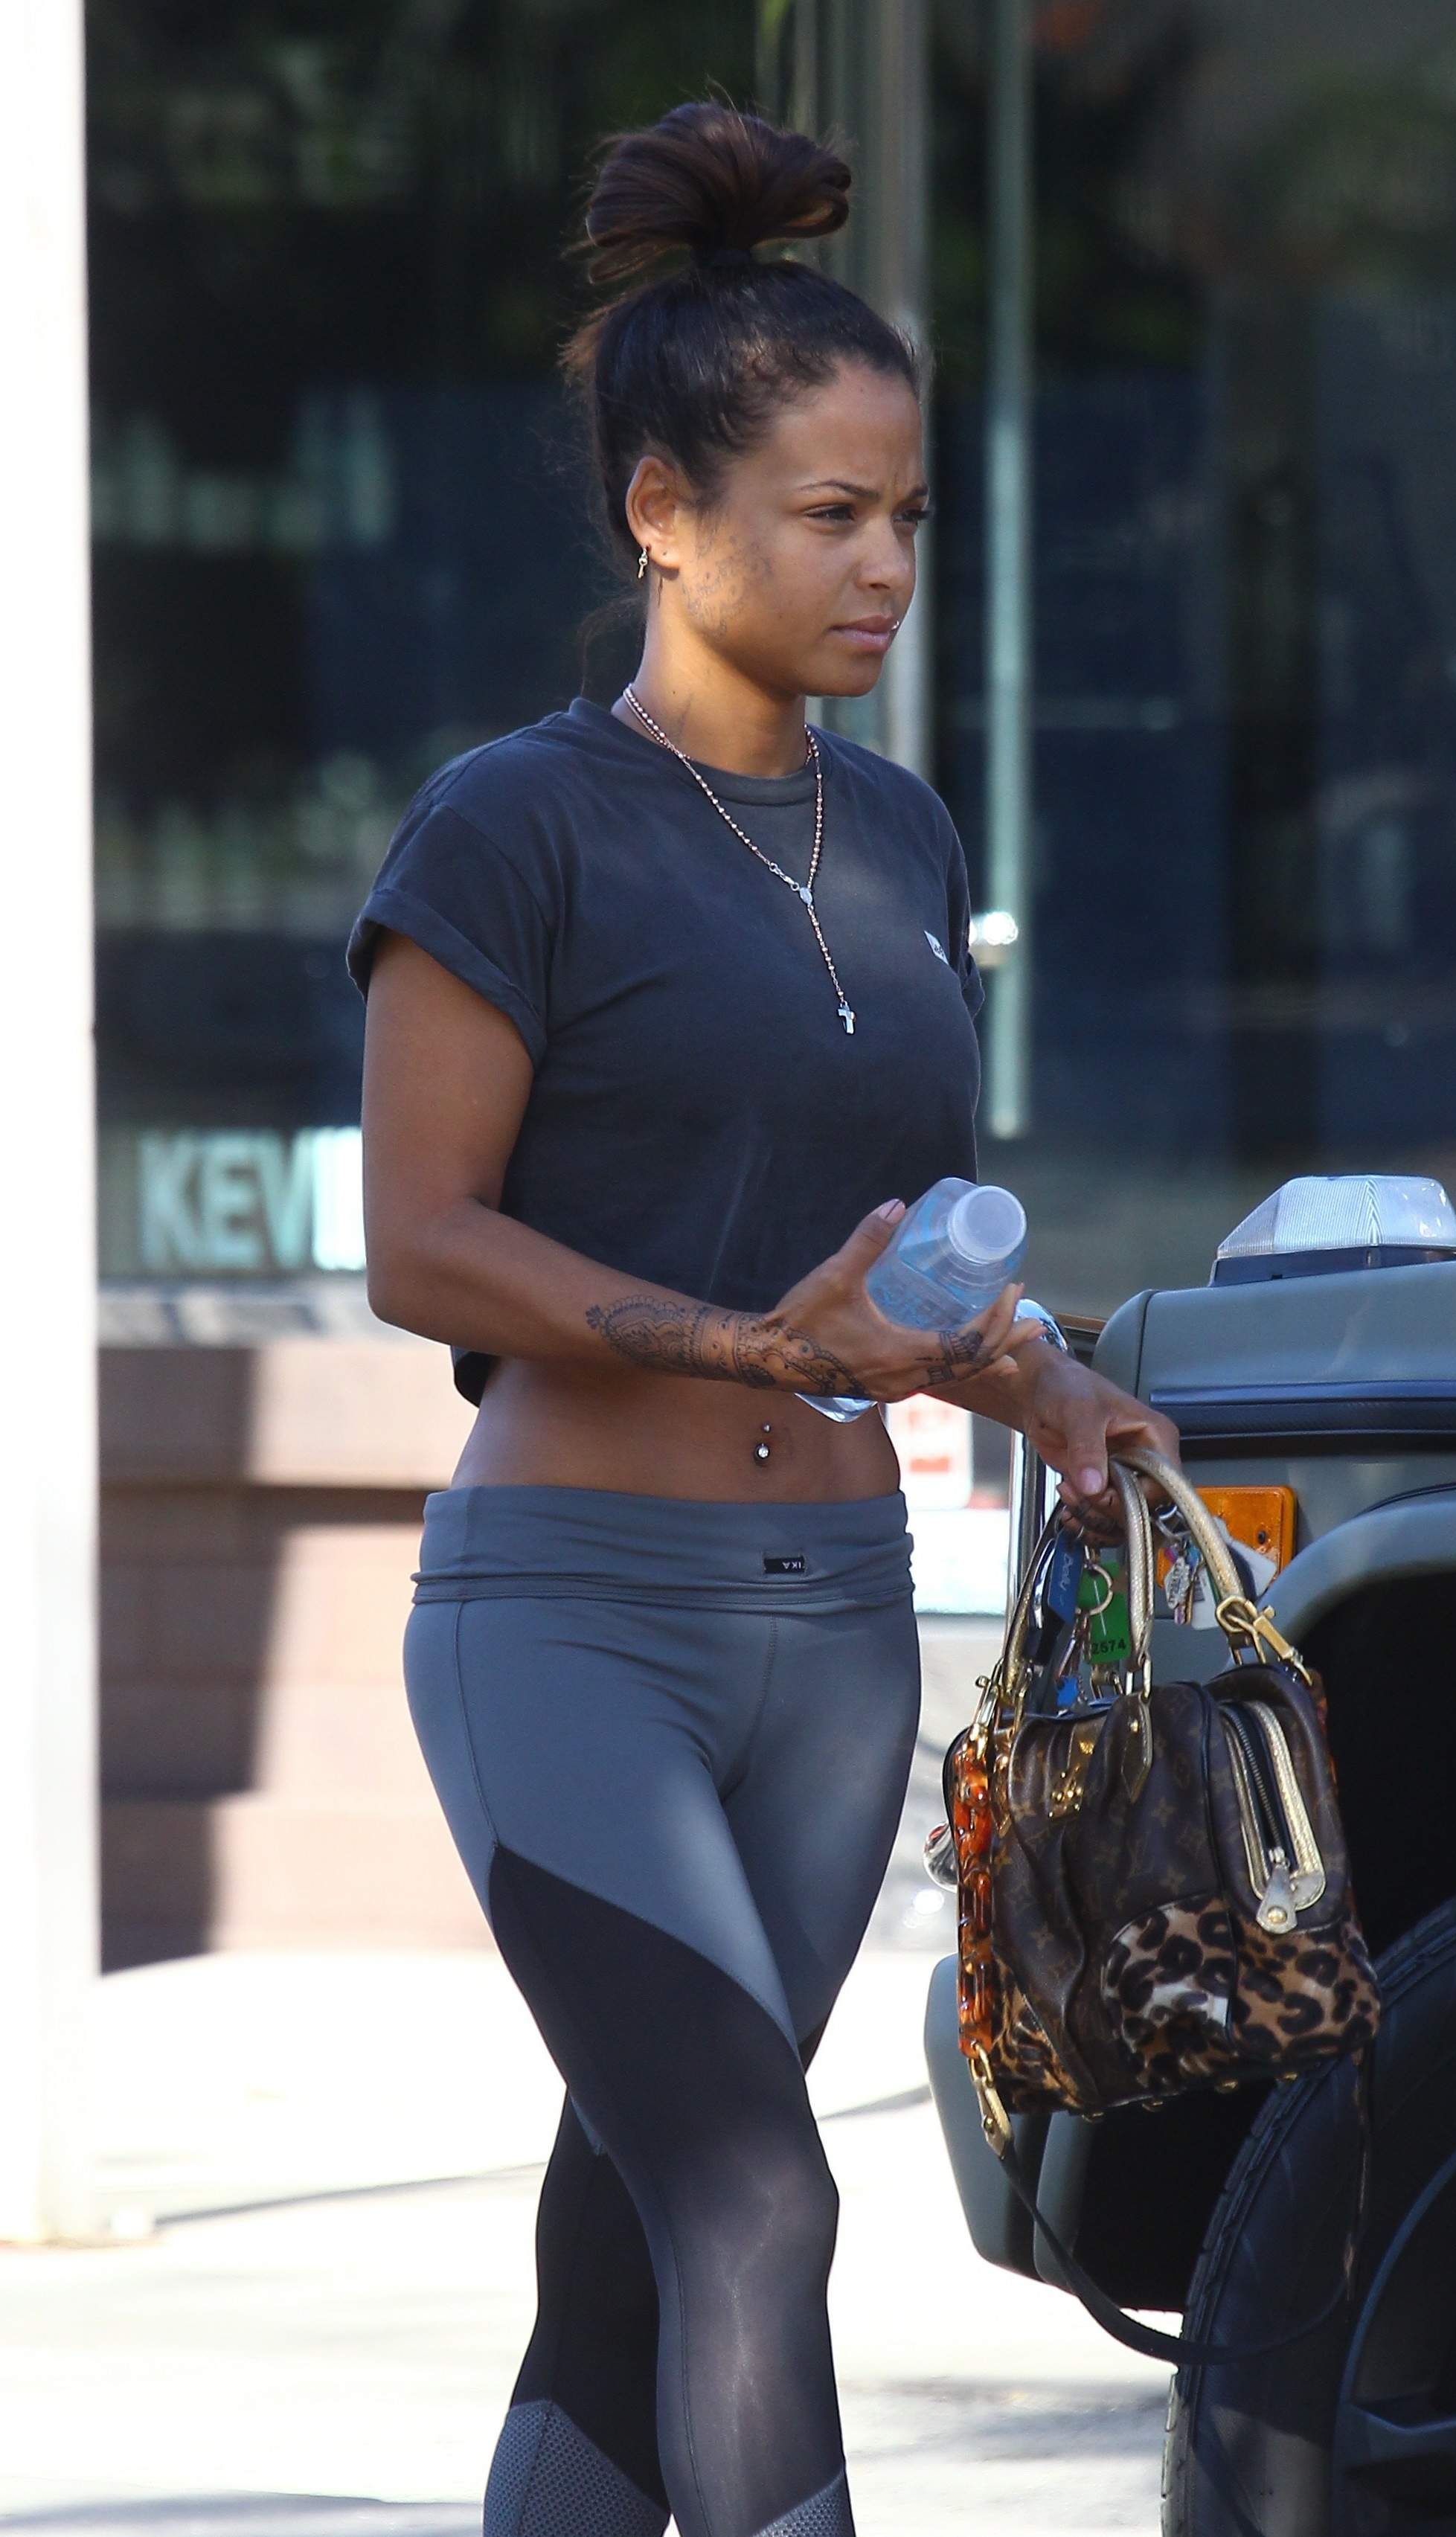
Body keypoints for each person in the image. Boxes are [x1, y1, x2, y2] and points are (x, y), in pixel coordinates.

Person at [349, 98, 1178, 2537]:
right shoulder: (511, 824)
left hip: (834, 1636)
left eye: (905, 512)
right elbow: (420, 1241)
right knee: (751, 2193)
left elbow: (900, 1245)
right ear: (662, 512)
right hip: (572, 1626)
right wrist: (746, 1345)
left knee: (639, 2234)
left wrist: (1046, 1372)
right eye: (830, 514)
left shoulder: (899, 829)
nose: (886, 563)